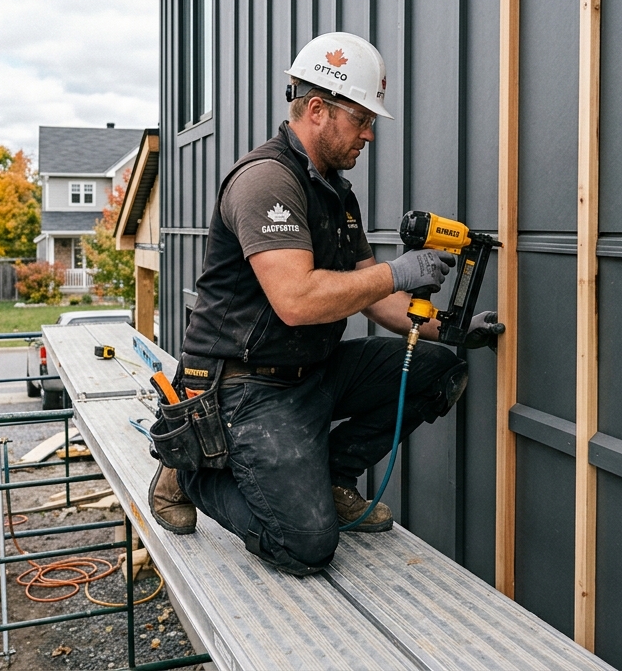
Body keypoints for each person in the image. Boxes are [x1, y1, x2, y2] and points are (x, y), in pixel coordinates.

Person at [148, 31, 503, 576]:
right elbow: (296, 299)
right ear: (317, 110)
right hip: (243, 385)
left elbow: (375, 297)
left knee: (438, 370)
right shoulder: (266, 182)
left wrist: (449, 329)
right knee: (305, 547)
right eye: (361, 120)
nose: (369, 135)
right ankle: (193, 466)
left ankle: (334, 476)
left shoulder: (337, 193)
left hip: (311, 370)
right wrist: (398, 271)